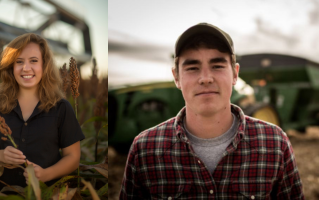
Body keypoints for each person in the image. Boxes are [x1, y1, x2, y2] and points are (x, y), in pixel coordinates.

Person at [120, 23, 304, 199]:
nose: (206, 78)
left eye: (217, 66)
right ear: (176, 77)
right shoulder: (144, 150)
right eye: (192, 68)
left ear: (235, 74)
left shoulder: (275, 143)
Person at [0, 33, 85, 189]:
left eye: (34, 61)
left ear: (44, 65)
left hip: (46, 193)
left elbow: (73, 157)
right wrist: (0, 156)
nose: (26, 68)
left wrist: (47, 174)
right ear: (11, 66)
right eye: (19, 62)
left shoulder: (61, 108)